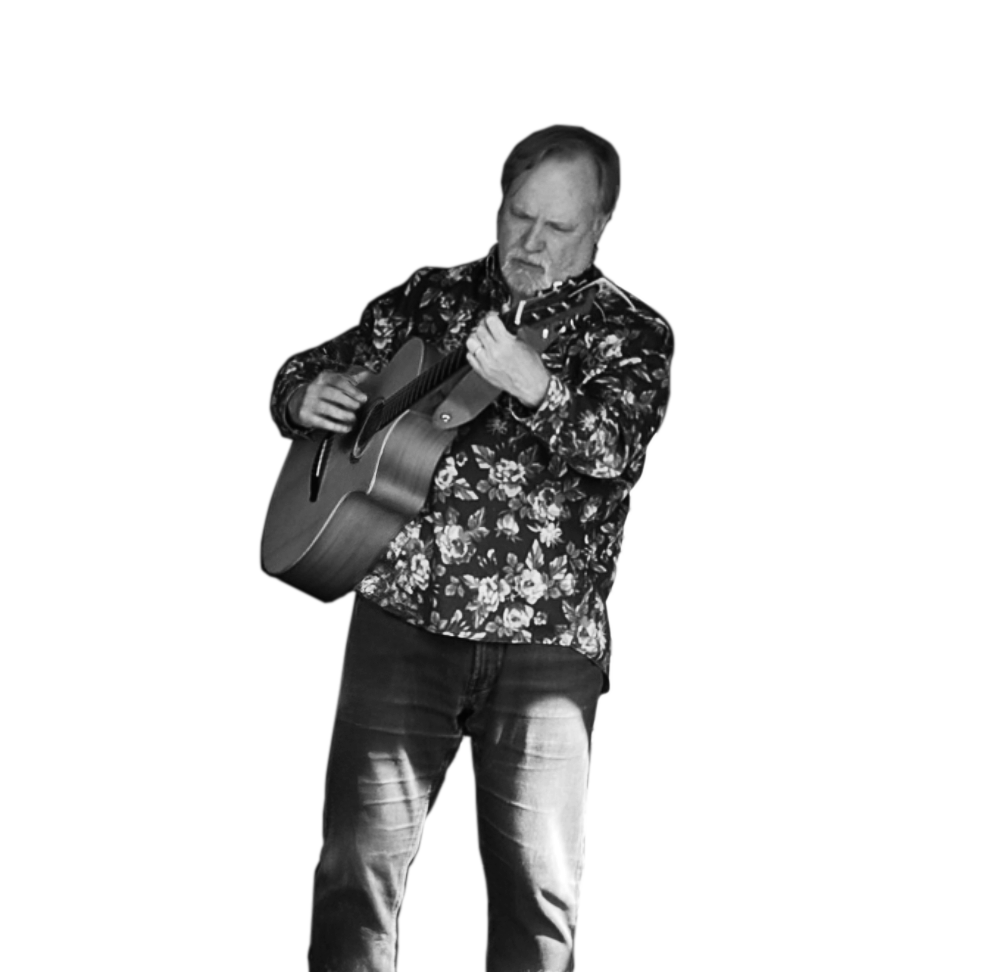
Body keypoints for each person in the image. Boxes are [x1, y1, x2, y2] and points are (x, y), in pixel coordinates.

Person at [268, 123, 672, 972]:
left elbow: (615, 458)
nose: (531, 242)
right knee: (354, 878)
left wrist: (538, 389)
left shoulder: (629, 333)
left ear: (600, 226)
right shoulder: (431, 294)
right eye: (520, 216)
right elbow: (318, 365)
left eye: (558, 229)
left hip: (545, 646)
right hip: (400, 620)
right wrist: (307, 393)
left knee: (538, 896)